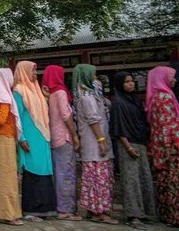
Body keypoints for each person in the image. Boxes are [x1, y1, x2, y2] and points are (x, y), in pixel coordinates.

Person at [109, 71, 156, 229]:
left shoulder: (135, 101)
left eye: (132, 81)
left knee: (143, 178)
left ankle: (144, 212)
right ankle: (133, 215)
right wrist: (128, 146)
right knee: (131, 181)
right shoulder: (118, 102)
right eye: (126, 82)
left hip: (140, 142)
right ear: (119, 84)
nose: (130, 84)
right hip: (127, 144)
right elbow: (118, 126)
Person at [73, 63, 118, 225]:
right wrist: (101, 140)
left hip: (96, 142)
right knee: (97, 178)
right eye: (93, 76)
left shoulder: (93, 96)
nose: (96, 79)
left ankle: (95, 210)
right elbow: (93, 120)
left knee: (99, 177)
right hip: (94, 144)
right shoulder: (87, 98)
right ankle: (98, 211)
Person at [13, 61, 57, 222]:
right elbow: (16, 117)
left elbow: (42, 114)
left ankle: (46, 208)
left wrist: (45, 97)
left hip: (42, 137)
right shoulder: (19, 91)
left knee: (44, 171)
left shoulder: (36, 91)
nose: (35, 74)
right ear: (24, 71)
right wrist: (21, 137)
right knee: (32, 171)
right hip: (29, 138)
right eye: (32, 71)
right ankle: (31, 210)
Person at [42, 65, 81, 222]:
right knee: (67, 174)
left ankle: (60, 206)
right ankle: (65, 209)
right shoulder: (60, 91)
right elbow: (66, 114)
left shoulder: (47, 93)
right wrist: (74, 134)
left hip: (53, 137)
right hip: (64, 137)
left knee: (59, 174)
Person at [0, 68, 23, 226]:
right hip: (4, 139)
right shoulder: (4, 96)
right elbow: (1, 120)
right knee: (7, 177)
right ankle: (6, 214)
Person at [146, 66, 179, 227]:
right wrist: (169, 146)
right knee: (172, 182)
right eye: (171, 76)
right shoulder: (164, 97)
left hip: (158, 147)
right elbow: (167, 124)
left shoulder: (154, 98)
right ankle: (174, 216)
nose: (174, 80)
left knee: (163, 181)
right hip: (170, 147)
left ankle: (167, 214)